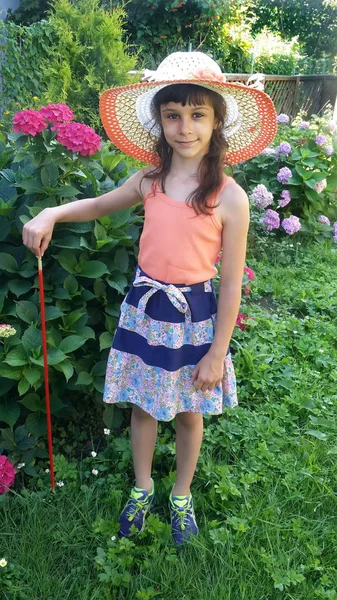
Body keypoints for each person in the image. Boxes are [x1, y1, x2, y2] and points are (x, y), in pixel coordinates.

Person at [22, 51, 277, 545]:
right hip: (145, 311)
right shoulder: (149, 181)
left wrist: (218, 352)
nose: (185, 127)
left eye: (197, 115)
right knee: (143, 405)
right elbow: (98, 205)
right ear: (160, 121)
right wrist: (52, 211)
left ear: (216, 121)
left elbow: (229, 283)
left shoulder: (230, 197)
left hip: (195, 317)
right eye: (173, 114)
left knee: (188, 410)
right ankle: (142, 488)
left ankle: (181, 494)